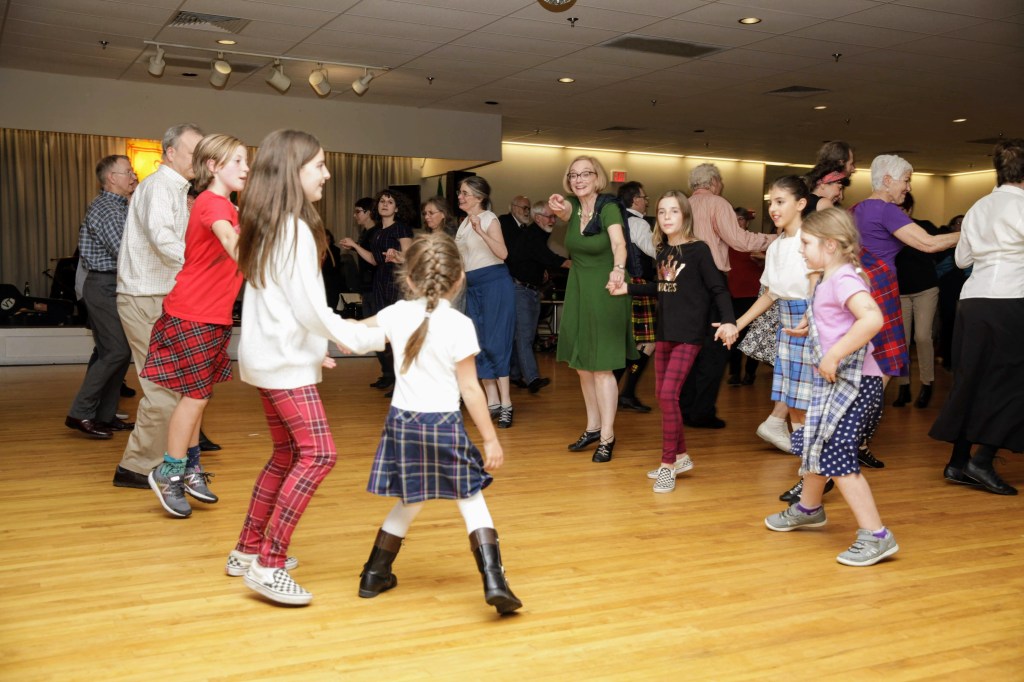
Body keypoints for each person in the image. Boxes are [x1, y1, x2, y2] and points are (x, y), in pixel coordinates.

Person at [229, 130, 386, 605]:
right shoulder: (293, 229)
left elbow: (281, 303)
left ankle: (247, 549)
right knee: (318, 455)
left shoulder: (268, 223)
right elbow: (310, 308)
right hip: (283, 362)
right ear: (293, 171)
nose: (327, 174)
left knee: (285, 454)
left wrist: (316, 346)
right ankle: (269, 564)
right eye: (319, 165)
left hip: (269, 356)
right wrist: (367, 336)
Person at [356, 231, 522, 615]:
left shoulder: (396, 313)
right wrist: (490, 439)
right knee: (471, 498)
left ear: (409, 278)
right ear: (460, 278)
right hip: (443, 425)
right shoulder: (459, 324)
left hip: (403, 425)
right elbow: (471, 389)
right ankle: (494, 581)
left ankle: (374, 574)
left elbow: (354, 334)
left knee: (411, 498)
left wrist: (316, 335)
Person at [764, 208, 898, 568]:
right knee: (816, 443)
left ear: (831, 244)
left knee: (837, 455)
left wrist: (835, 354)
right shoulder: (828, 277)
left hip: (856, 383)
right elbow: (835, 315)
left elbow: (872, 318)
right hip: (834, 382)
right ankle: (809, 508)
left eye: (806, 243)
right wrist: (810, 325)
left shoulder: (845, 280)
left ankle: (877, 536)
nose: (801, 249)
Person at [144, 134, 248, 518]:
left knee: (198, 395)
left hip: (211, 315)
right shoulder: (212, 203)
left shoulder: (229, 207)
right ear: (213, 166)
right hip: (193, 315)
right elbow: (230, 243)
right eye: (237, 161)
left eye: (246, 161)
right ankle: (169, 472)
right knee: (195, 397)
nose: (246, 168)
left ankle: (189, 467)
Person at [608, 191, 737, 493]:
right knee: (664, 396)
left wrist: (730, 320)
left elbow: (718, 288)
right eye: (662, 211)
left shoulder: (699, 250)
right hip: (665, 333)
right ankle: (680, 456)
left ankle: (668, 465)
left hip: (689, 335)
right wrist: (627, 289)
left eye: (674, 211)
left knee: (668, 395)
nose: (667, 217)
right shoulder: (664, 251)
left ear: (685, 216)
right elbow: (663, 285)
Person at [850, 154, 960, 467]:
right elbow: (929, 244)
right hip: (880, 294)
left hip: (856, 294)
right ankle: (853, 439)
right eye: (906, 180)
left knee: (863, 367)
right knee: (883, 367)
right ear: (887, 180)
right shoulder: (885, 210)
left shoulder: (855, 209)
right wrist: (974, 233)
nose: (908, 188)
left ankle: (857, 440)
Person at [930, 138, 1024, 496]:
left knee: (972, 380)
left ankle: (958, 461)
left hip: (973, 303)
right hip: (1009, 300)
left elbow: (962, 260)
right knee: (1013, 384)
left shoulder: (978, 207)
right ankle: (982, 461)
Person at [113, 123, 204, 490]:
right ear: (170, 152)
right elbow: (162, 238)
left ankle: (156, 462)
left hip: (162, 297)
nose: (200, 159)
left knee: (173, 388)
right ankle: (136, 467)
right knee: (162, 391)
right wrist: (203, 264)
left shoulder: (177, 189)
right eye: (193, 152)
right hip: (144, 297)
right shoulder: (159, 187)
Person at [548, 156, 635, 462]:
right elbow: (562, 210)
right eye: (574, 175)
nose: (579, 179)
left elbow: (619, 244)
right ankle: (593, 427)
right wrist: (557, 204)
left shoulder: (608, 207)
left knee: (602, 366)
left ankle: (608, 436)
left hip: (607, 287)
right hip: (579, 288)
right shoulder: (573, 206)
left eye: (585, 174)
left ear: (597, 177)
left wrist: (618, 269)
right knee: (583, 365)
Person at [678, 163, 775, 429]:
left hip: (683, 283)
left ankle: (684, 408)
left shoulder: (683, 205)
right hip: (710, 281)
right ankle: (702, 412)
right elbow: (739, 241)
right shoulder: (718, 203)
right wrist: (775, 239)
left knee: (689, 347)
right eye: (720, 181)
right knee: (715, 348)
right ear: (714, 182)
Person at [734, 177, 815, 462]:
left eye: (781, 202)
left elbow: (828, 283)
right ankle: (807, 466)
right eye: (771, 202)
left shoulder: (813, 239)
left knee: (809, 404)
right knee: (794, 404)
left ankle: (815, 466)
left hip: (811, 327)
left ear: (801, 203)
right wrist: (738, 324)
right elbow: (770, 294)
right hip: (788, 327)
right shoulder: (777, 246)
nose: (773, 209)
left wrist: (812, 314)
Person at [65, 155, 137, 440]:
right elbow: (124, 252)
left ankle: (104, 416)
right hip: (104, 284)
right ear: (112, 178)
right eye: (128, 171)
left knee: (117, 351)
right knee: (116, 351)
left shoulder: (119, 206)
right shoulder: (108, 209)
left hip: (111, 284)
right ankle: (80, 412)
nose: (133, 176)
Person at [455, 176, 517, 427]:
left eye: (465, 193)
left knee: (496, 343)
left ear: (479, 197)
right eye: (460, 192)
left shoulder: (490, 219)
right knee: (478, 344)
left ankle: (507, 404)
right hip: (472, 287)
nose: (460, 197)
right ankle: (492, 402)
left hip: (494, 285)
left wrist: (480, 231)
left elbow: (503, 253)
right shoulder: (462, 224)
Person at [339, 190, 414, 394]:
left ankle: (403, 383)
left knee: (397, 333)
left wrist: (397, 256)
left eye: (390, 202)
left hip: (396, 281)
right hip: (380, 280)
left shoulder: (401, 228)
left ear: (397, 208)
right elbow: (373, 259)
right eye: (382, 201)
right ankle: (395, 379)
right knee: (386, 331)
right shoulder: (378, 231)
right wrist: (355, 246)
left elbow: (409, 257)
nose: (385, 204)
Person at [506, 201, 571, 393]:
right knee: (525, 337)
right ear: (537, 218)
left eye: (554, 217)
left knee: (521, 336)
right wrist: (575, 264)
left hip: (528, 289)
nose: (553, 220)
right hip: (521, 290)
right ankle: (532, 379)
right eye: (549, 217)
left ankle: (515, 374)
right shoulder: (533, 235)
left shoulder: (537, 235)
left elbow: (537, 259)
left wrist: (541, 270)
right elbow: (550, 258)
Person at [892, 193, 940, 408]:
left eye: (902, 209)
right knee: (901, 340)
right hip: (900, 292)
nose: (898, 213)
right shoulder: (888, 231)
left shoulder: (925, 226)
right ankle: (903, 387)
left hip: (926, 290)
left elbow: (940, 250)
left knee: (922, 337)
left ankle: (927, 384)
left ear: (909, 210)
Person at [615, 181, 657, 413]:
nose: (647, 201)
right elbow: (654, 251)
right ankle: (626, 393)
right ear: (634, 200)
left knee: (628, 344)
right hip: (639, 286)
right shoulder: (638, 223)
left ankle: (615, 391)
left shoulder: (616, 222)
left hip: (621, 285)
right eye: (644, 197)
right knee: (646, 343)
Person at [726, 207, 764, 386]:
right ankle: (734, 373)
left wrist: (763, 260)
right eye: (734, 219)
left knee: (753, 336)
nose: (738, 222)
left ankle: (750, 373)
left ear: (747, 222)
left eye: (741, 219)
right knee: (733, 335)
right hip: (733, 294)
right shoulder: (726, 242)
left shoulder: (757, 241)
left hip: (755, 295)